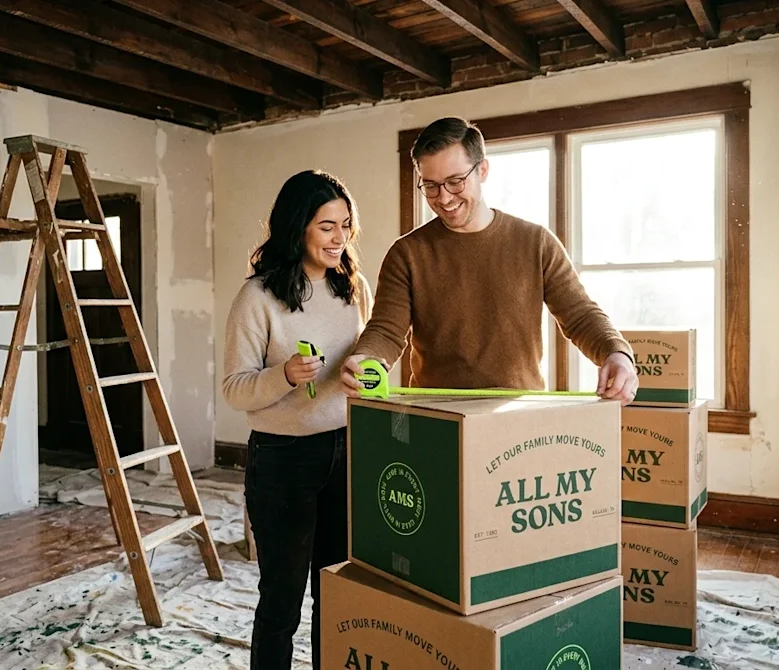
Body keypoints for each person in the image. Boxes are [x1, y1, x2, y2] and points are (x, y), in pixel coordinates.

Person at [339, 116, 638, 403]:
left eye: (455, 181)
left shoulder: (536, 242)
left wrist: (616, 354)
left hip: (518, 415)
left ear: (482, 171)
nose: (443, 198)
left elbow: (581, 316)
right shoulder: (407, 253)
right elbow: (386, 331)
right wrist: (365, 359)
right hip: (438, 416)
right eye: (430, 185)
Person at [221, 169, 373, 669]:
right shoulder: (257, 298)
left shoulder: (353, 288)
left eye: (345, 225)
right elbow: (233, 390)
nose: (340, 238)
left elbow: (372, 355)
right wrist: (282, 375)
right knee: (282, 601)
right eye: (326, 226)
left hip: (346, 451)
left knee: (337, 593)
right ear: (297, 228)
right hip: (283, 460)